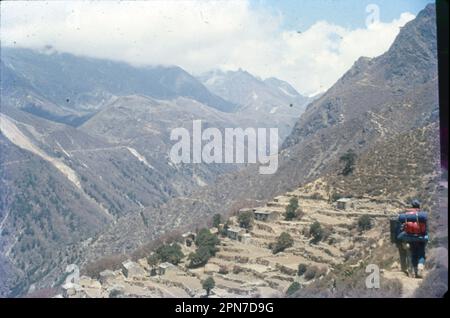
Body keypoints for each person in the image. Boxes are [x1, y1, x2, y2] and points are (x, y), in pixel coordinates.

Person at [395, 199, 428, 278]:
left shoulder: (407, 215)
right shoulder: (421, 215)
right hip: (420, 237)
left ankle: (415, 271)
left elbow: (400, 224)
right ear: (418, 206)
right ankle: (420, 266)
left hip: (409, 237)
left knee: (413, 254)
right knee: (421, 254)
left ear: (411, 206)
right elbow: (426, 227)